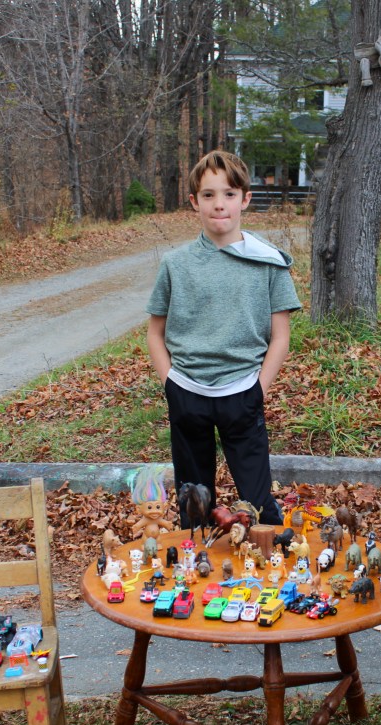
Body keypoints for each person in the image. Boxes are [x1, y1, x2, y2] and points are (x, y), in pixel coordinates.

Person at [146, 150, 301, 528]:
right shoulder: (175, 264)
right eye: (209, 195)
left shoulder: (268, 262)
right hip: (187, 393)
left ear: (245, 199)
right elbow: (155, 331)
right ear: (194, 202)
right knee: (194, 502)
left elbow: (280, 335)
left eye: (229, 194)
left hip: (242, 394)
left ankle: (270, 572)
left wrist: (258, 390)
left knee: (258, 501)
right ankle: (197, 574)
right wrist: (170, 383)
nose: (220, 205)